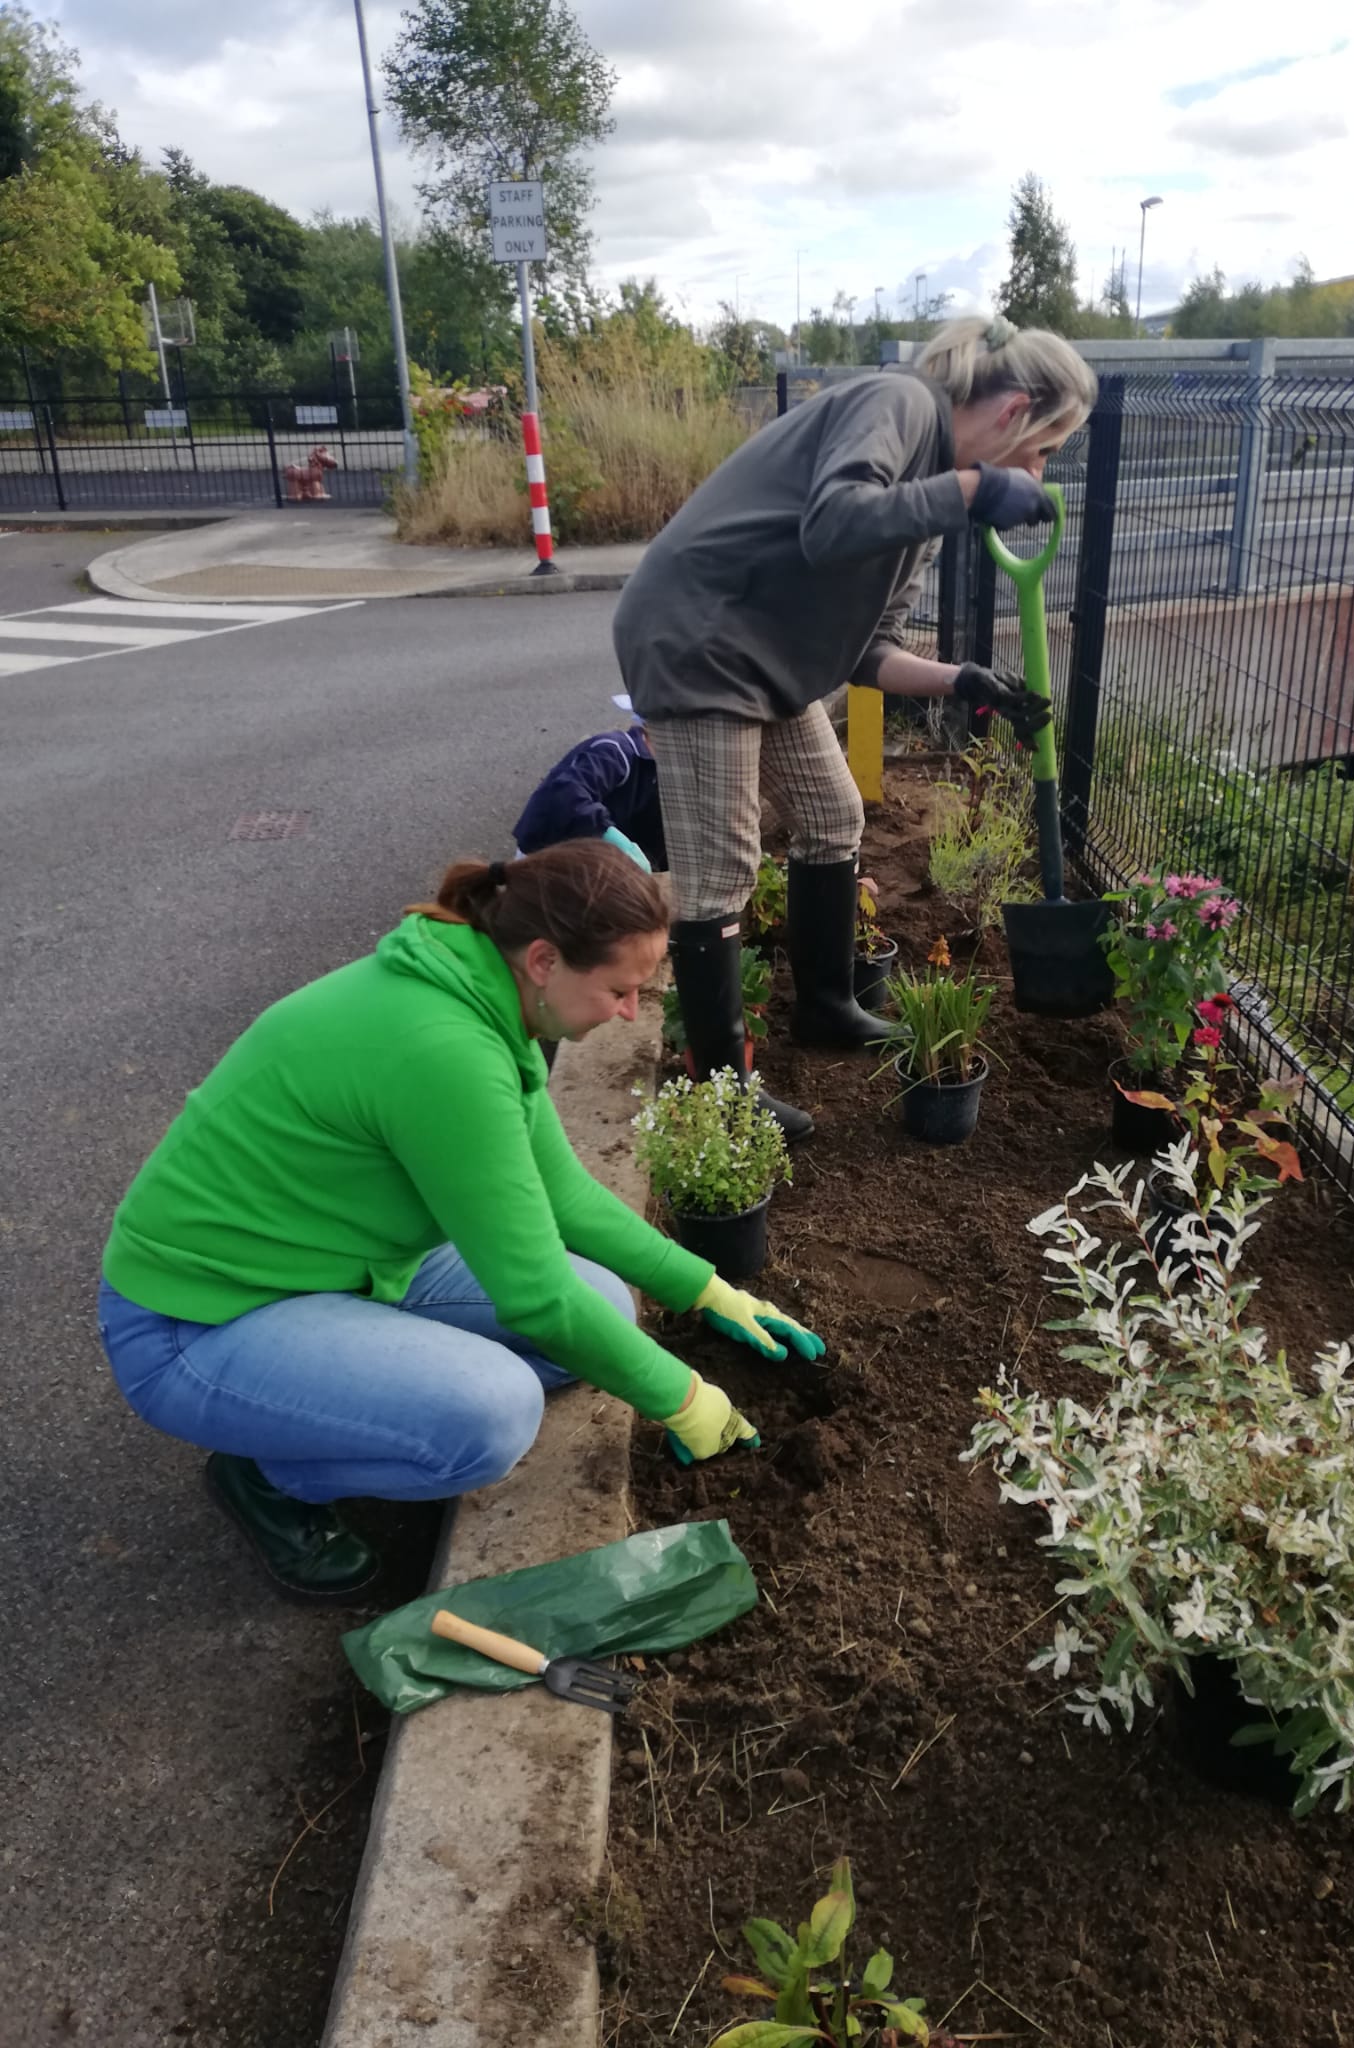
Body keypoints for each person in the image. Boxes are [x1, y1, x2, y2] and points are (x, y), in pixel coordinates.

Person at [96, 841, 823, 1603]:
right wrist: (682, 1399)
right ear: (545, 960)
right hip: (197, 1319)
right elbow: (535, 1296)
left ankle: (339, 1396)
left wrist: (707, 1291)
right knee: (487, 1422)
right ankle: (269, 1473)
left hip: (340, 1265)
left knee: (604, 1307)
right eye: (619, 990)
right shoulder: (443, 1048)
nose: (630, 1013)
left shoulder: (484, 996)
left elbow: (565, 1197)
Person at [612, 314, 1099, 1141]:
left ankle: (829, 1006)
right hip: (701, 638)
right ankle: (721, 1091)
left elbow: (869, 651)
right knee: (722, 866)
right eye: (1046, 450)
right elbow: (832, 522)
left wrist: (964, 681)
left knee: (834, 815)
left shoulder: (928, 502)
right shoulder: (899, 402)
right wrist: (976, 492)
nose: (1039, 473)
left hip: (764, 656)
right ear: (1014, 411)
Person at [513, 708, 666, 873]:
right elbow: (566, 796)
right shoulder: (615, 751)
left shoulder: (664, 771)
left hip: (593, 864)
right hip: (547, 855)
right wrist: (608, 834)